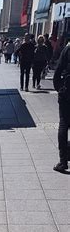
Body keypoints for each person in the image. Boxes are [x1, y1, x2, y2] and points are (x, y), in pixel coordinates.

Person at [53, 40, 70, 173]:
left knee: (64, 124)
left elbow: (58, 71)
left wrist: (60, 89)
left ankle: (63, 161)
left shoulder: (68, 49)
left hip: (67, 92)